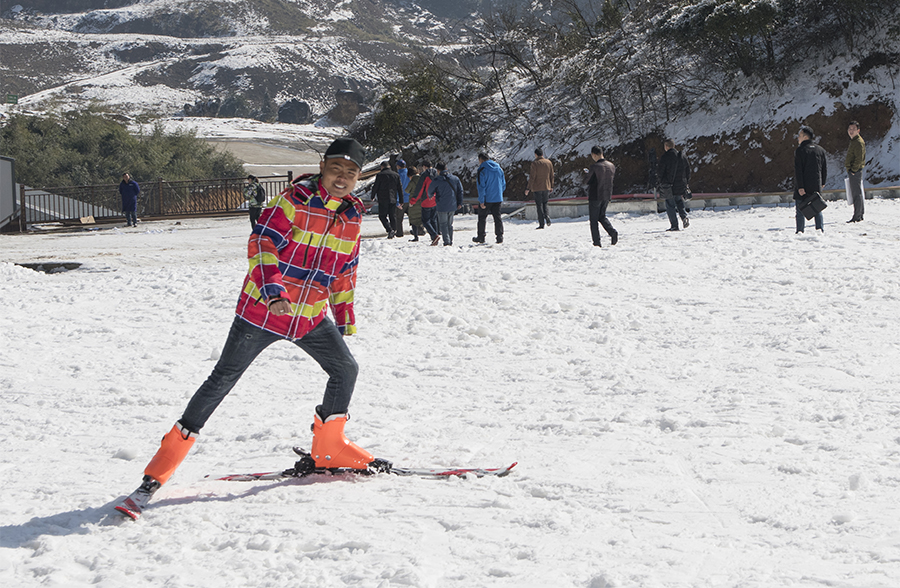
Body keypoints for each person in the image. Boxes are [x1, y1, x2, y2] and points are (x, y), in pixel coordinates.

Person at [116, 138, 375, 519]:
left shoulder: (353, 213)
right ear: (323, 166)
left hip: (309, 315)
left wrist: (344, 313)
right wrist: (273, 292)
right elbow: (262, 242)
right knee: (222, 379)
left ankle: (329, 449)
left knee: (345, 369)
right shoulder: (294, 199)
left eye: (351, 173)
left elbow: (346, 265)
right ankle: (157, 472)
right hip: (263, 312)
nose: (342, 178)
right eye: (337, 169)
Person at [793, 126, 828, 233]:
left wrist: (800, 186)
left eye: (799, 136)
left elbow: (798, 170)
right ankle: (820, 229)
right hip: (816, 184)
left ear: (805, 137)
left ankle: (800, 231)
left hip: (803, 185)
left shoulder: (800, 150)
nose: (798, 138)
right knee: (817, 208)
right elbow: (824, 168)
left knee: (800, 210)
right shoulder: (820, 150)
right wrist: (823, 182)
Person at [583, 146, 618, 247]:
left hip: (595, 195)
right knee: (602, 216)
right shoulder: (611, 165)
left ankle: (597, 242)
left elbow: (587, 181)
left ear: (594, 155)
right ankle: (612, 232)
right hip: (607, 194)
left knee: (594, 220)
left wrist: (586, 174)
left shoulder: (594, 167)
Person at [427, 162, 464, 246]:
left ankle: (447, 241)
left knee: (443, 224)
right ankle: (450, 240)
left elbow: (430, 190)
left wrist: (431, 195)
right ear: (446, 168)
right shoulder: (455, 178)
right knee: (449, 224)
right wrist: (460, 202)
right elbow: (460, 191)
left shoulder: (437, 180)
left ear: (438, 170)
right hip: (453, 204)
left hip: (441, 205)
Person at [473, 153, 506, 244]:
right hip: (498, 197)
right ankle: (499, 236)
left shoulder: (482, 169)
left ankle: (481, 236)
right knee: (497, 217)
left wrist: (481, 200)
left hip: (487, 198)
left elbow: (481, 186)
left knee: (482, 218)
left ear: (481, 159)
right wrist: (499, 193)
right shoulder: (499, 168)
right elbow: (503, 184)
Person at [658, 140, 689, 231]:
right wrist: (686, 182)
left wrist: (661, 182)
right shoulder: (681, 156)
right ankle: (684, 217)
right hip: (680, 184)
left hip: (668, 185)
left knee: (670, 204)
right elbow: (687, 170)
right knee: (679, 201)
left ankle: (674, 225)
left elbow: (660, 171)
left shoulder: (665, 157)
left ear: (666, 146)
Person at [410, 160, 440, 246]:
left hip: (426, 200)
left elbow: (419, 189)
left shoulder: (424, 175)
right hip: (435, 199)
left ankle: (434, 236)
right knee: (433, 219)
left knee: (425, 220)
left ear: (424, 166)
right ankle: (435, 237)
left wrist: (413, 201)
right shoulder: (437, 174)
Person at [370, 161, 403, 238]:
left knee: (382, 216)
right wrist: (401, 200)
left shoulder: (380, 175)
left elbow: (376, 186)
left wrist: (372, 196)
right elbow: (399, 188)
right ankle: (393, 230)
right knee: (392, 215)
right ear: (390, 166)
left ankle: (389, 229)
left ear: (382, 167)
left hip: (383, 198)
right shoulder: (396, 175)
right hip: (393, 198)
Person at [525, 148, 554, 229]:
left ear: (536, 154)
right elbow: (552, 175)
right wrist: (551, 186)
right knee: (545, 203)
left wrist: (528, 188)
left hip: (537, 187)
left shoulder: (535, 163)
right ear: (542, 154)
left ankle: (541, 223)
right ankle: (547, 215)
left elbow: (532, 177)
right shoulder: (549, 162)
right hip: (546, 186)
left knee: (539, 205)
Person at [845, 120, 866, 223]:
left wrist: (853, 170)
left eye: (853, 129)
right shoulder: (854, 140)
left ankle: (857, 215)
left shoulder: (858, 142)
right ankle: (860, 214)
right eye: (849, 129)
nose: (851, 131)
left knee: (856, 193)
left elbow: (859, 158)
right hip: (854, 170)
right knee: (857, 192)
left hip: (855, 171)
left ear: (858, 130)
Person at [405, 164, 423, 241]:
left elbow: (407, 190)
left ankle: (416, 236)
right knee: (422, 218)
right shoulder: (422, 179)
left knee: (413, 220)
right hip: (422, 201)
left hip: (413, 202)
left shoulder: (412, 182)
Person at [395, 159, 410, 236]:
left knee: (399, 218)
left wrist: (397, 201)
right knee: (413, 217)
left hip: (401, 200)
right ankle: (418, 230)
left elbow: (397, 189)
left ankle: (399, 233)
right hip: (410, 199)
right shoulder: (409, 173)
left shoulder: (397, 175)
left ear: (398, 166)